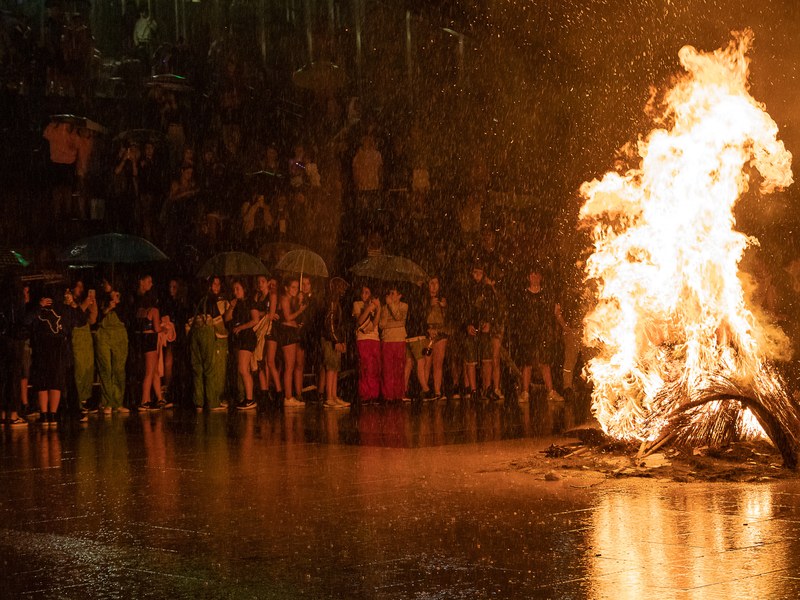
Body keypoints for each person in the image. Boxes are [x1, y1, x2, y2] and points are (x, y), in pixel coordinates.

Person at [28, 286, 87, 425]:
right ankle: (51, 414)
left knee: (48, 381)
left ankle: (47, 414)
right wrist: (73, 304)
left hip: (47, 348)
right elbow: (81, 320)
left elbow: (28, 321)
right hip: (54, 347)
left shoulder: (52, 308)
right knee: (53, 381)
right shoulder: (63, 309)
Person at [512, 264, 565, 403]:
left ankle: (550, 391)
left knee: (545, 362)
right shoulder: (523, 295)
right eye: (532, 275)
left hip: (543, 333)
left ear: (541, 277)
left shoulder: (546, 295)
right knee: (527, 363)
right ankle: (525, 392)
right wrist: (522, 331)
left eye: (537, 275)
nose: (534, 278)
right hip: (528, 333)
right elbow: (519, 316)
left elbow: (553, 313)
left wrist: (554, 330)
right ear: (528, 277)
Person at [189, 277, 229, 411]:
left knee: (197, 369)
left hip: (194, 334)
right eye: (214, 284)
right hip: (207, 333)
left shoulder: (194, 298)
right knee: (210, 369)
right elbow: (218, 322)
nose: (216, 287)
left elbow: (188, 322)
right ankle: (212, 402)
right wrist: (224, 335)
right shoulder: (210, 300)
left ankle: (198, 402)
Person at [94, 279, 129, 414]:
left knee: (119, 369)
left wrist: (118, 303)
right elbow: (98, 316)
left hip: (119, 334)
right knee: (105, 368)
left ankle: (117, 402)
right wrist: (108, 307)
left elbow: (127, 314)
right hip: (103, 334)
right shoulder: (101, 297)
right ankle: (107, 402)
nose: (104, 285)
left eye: (107, 283)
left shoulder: (124, 296)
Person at [224, 279, 258, 410]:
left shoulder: (250, 302)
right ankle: (246, 397)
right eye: (234, 289)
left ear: (244, 289)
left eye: (238, 288)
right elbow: (227, 319)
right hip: (239, 339)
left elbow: (255, 320)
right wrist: (231, 307)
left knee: (243, 369)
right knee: (242, 369)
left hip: (247, 337)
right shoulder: (235, 303)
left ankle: (250, 399)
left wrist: (241, 327)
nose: (235, 291)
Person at [132, 275, 163, 410]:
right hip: (151, 339)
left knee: (154, 370)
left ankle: (158, 398)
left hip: (142, 339)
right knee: (149, 372)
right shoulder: (154, 310)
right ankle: (145, 400)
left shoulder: (139, 310)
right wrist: (165, 328)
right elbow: (156, 328)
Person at [321, 278, 350, 408]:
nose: (343, 291)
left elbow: (339, 325)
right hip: (330, 340)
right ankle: (329, 397)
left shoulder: (336, 302)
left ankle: (333, 395)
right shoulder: (331, 302)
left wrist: (343, 340)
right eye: (341, 288)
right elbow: (330, 324)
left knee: (335, 368)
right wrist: (336, 340)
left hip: (335, 339)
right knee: (331, 368)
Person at [278, 276, 307, 407]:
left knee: (296, 363)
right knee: (289, 366)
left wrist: (299, 303)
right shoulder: (284, 299)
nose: (295, 289)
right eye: (293, 287)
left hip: (294, 332)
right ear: (286, 288)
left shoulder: (293, 300)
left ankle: (296, 394)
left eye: (297, 287)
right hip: (287, 332)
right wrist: (300, 311)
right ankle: (288, 397)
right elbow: (288, 317)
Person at [252, 275, 281, 401]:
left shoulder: (272, 295)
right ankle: (264, 393)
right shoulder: (257, 297)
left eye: (263, 281)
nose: (260, 284)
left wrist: (262, 314)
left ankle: (279, 392)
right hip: (259, 331)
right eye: (258, 281)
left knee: (270, 361)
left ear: (268, 282)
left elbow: (271, 314)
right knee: (260, 362)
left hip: (270, 331)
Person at [70, 280, 98, 413]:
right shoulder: (68, 300)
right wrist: (84, 304)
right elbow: (74, 317)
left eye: (82, 286)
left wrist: (93, 304)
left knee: (88, 369)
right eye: (78, 286)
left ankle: (85, 399)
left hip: (86, 336)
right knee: (79, 369)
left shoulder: (83, 301)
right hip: (77, 335)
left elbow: (92, 320)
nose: (80, 289)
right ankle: (78, 400)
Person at [422, 276, 450, 400]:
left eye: (436, 283)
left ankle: (437, 391)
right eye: (431, 283)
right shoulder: (423, 300)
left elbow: (448, 319)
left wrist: (445, 307)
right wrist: (429, 305)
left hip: (441, 331)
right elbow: (420, 316)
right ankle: (425, 390)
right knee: (426, 363)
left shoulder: (442, 300)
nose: (433, 286)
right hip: (428, 332)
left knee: (438, 363)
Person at [353, 284, 381, 404]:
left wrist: (378, 308)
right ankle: (364, 395)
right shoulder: (357, 304)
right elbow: (359, 321)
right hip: (363, 338)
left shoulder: (375, 305)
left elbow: (375, 324)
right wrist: (368, 309)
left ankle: (373, 395)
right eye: (363, 292)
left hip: (374, 338)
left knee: (373, 367)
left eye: (367, 292)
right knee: (364, 367)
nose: (364, 295)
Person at [379, 286, 407, 402]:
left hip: (399, 339)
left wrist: (391, 305)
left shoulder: (404, 306)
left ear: (400, 295)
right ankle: (388, 395)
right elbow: (381, 325)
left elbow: (399, 316)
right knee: (387, 369)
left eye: (393, 293)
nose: (390, 296)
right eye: (389, 293)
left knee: (399, 369)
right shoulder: (385, 307)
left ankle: (398, 394)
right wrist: (386, 309)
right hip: (387, 340)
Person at [404, 284, 431, 401]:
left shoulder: (407, 301)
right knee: (421, 362)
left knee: (409, 363)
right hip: (417, 336)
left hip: (408, 335)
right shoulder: (418, 302)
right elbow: (420, 318)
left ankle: (403, 390)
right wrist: (425, 329)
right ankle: (425, 389)